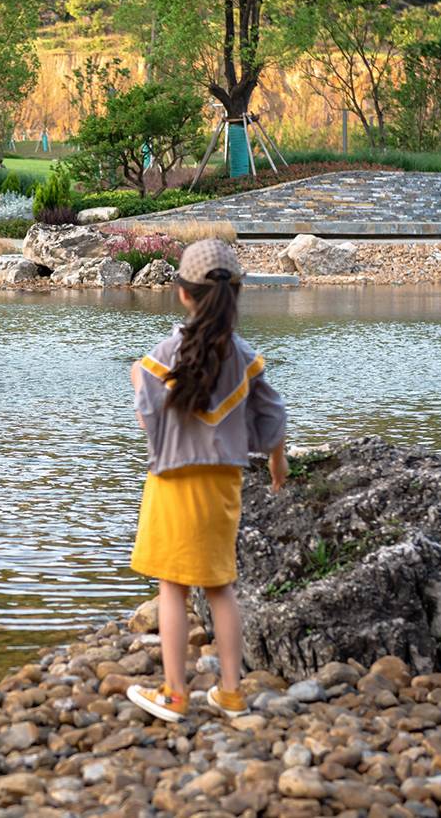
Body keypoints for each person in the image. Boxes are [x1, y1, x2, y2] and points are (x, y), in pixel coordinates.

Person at [125, 239, 288, 723]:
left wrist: (136, 377)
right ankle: (232, 693)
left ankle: (175, 694)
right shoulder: (244, 355)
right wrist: (277, 463)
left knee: (171, 587)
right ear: (235, 294)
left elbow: (147, 414)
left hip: (173, 481)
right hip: (224, 483)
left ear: (183, 294)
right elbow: (273, 412)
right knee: (222, 587)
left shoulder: (164, 353)